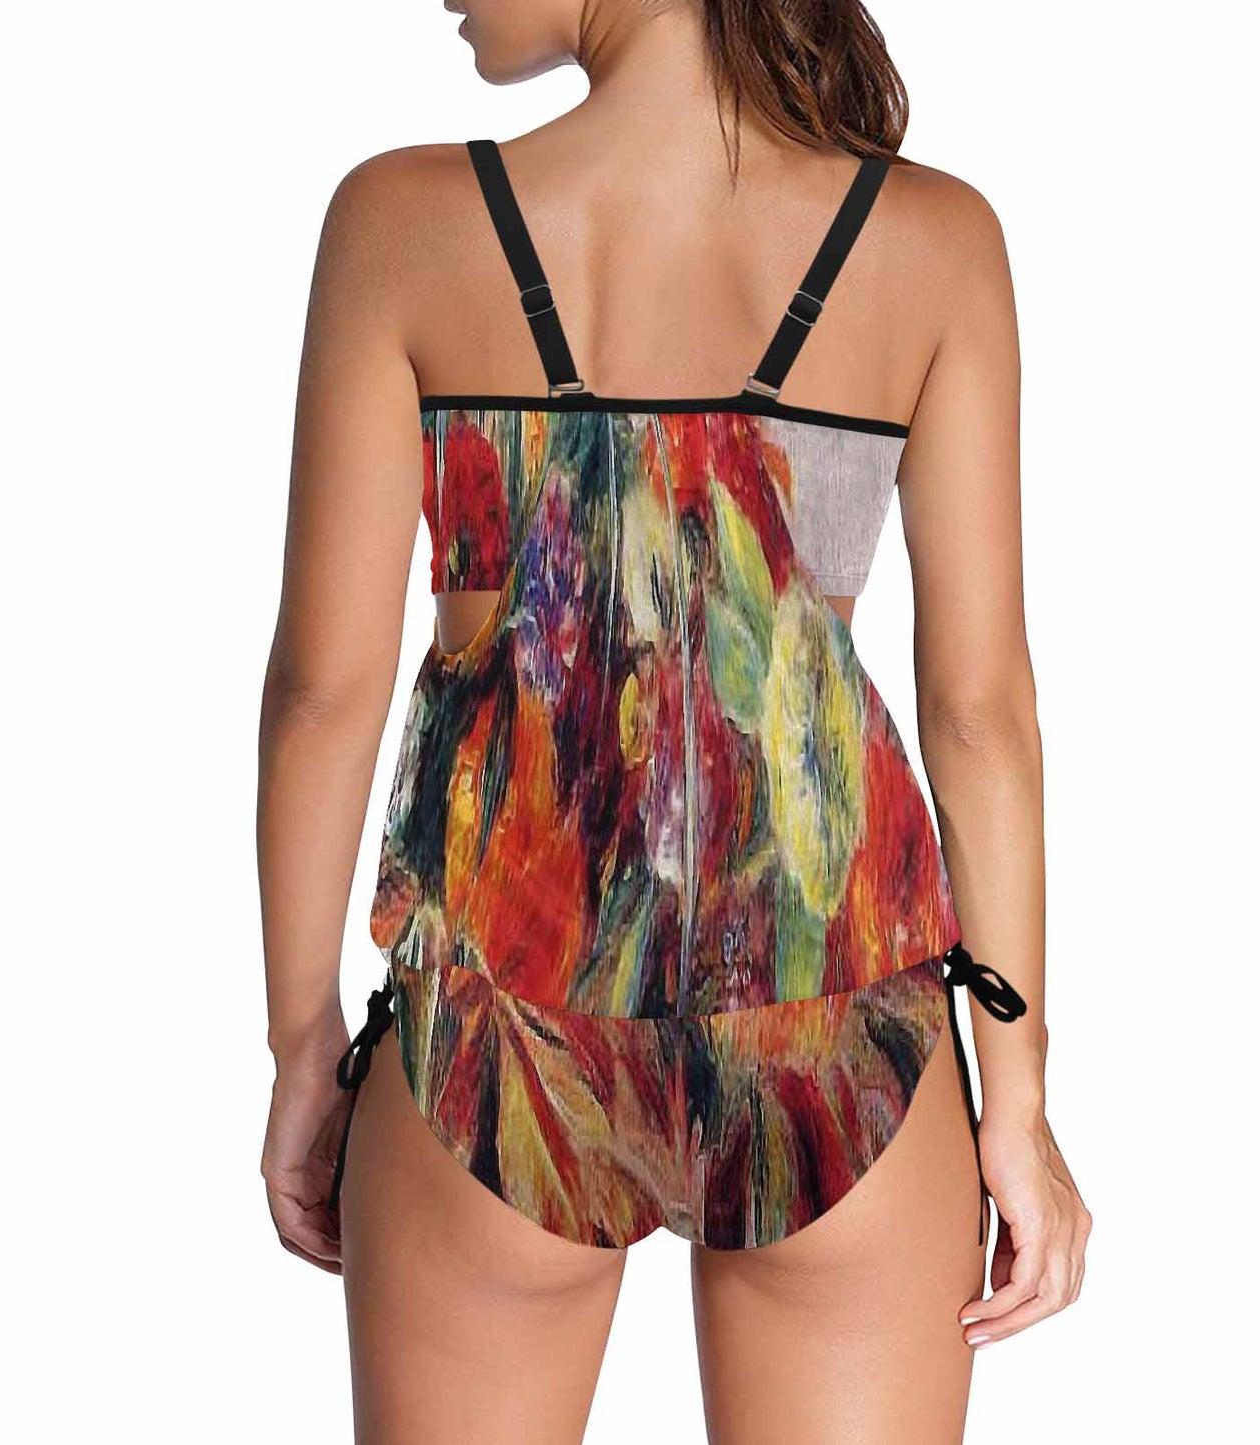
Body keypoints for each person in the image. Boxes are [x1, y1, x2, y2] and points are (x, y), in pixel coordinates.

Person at [257, 1, 1091, 1439]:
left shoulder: (401, 223)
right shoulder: (928, 240)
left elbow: (323, 692)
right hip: (836, 1037)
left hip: (497, 1036)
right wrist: (1012, 1096)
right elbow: (979, 712)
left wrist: (298, 1045)